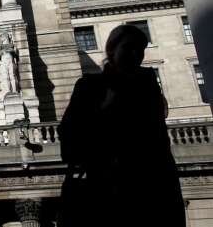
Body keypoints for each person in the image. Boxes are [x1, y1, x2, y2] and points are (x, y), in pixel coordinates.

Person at [59, 24, 185, 227]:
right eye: (128, 47)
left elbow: (161, 148)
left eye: (140, 50)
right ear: (111, 50)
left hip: (151, 196)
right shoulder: (89, 87)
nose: (135, 54)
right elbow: (69, 143)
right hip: (105, 195)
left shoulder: (149, 88)